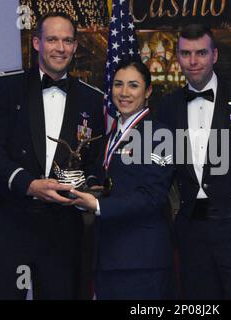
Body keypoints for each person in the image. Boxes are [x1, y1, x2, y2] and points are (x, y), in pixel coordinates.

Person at [0, 12, 104, 299]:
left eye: (67, 40)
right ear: (36, 43)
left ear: (75, 46)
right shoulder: (8, 87)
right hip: (12, 222)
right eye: (52, 39)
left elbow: (94, 160)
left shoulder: (92, 99)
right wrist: (29, 184)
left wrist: (88, 187)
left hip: (62, 229)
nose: (60, 48)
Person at [157, 24, 231, 299]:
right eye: (186, 53)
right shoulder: (168, 106)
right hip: (192, 233)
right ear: (177, 57)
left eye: (200, 53)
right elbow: (160, 170)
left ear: (213, 55)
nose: (193, 61)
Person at [70, 59, 176, 299]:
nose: (124, 93)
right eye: (118, 85)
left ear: (148, 91)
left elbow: (152, 197)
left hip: (142, 261)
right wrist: (85, 189)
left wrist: (96, 204)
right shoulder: (109, 135)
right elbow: (105, 176)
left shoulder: (161, 135)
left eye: (133, 85)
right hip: (106, 256)